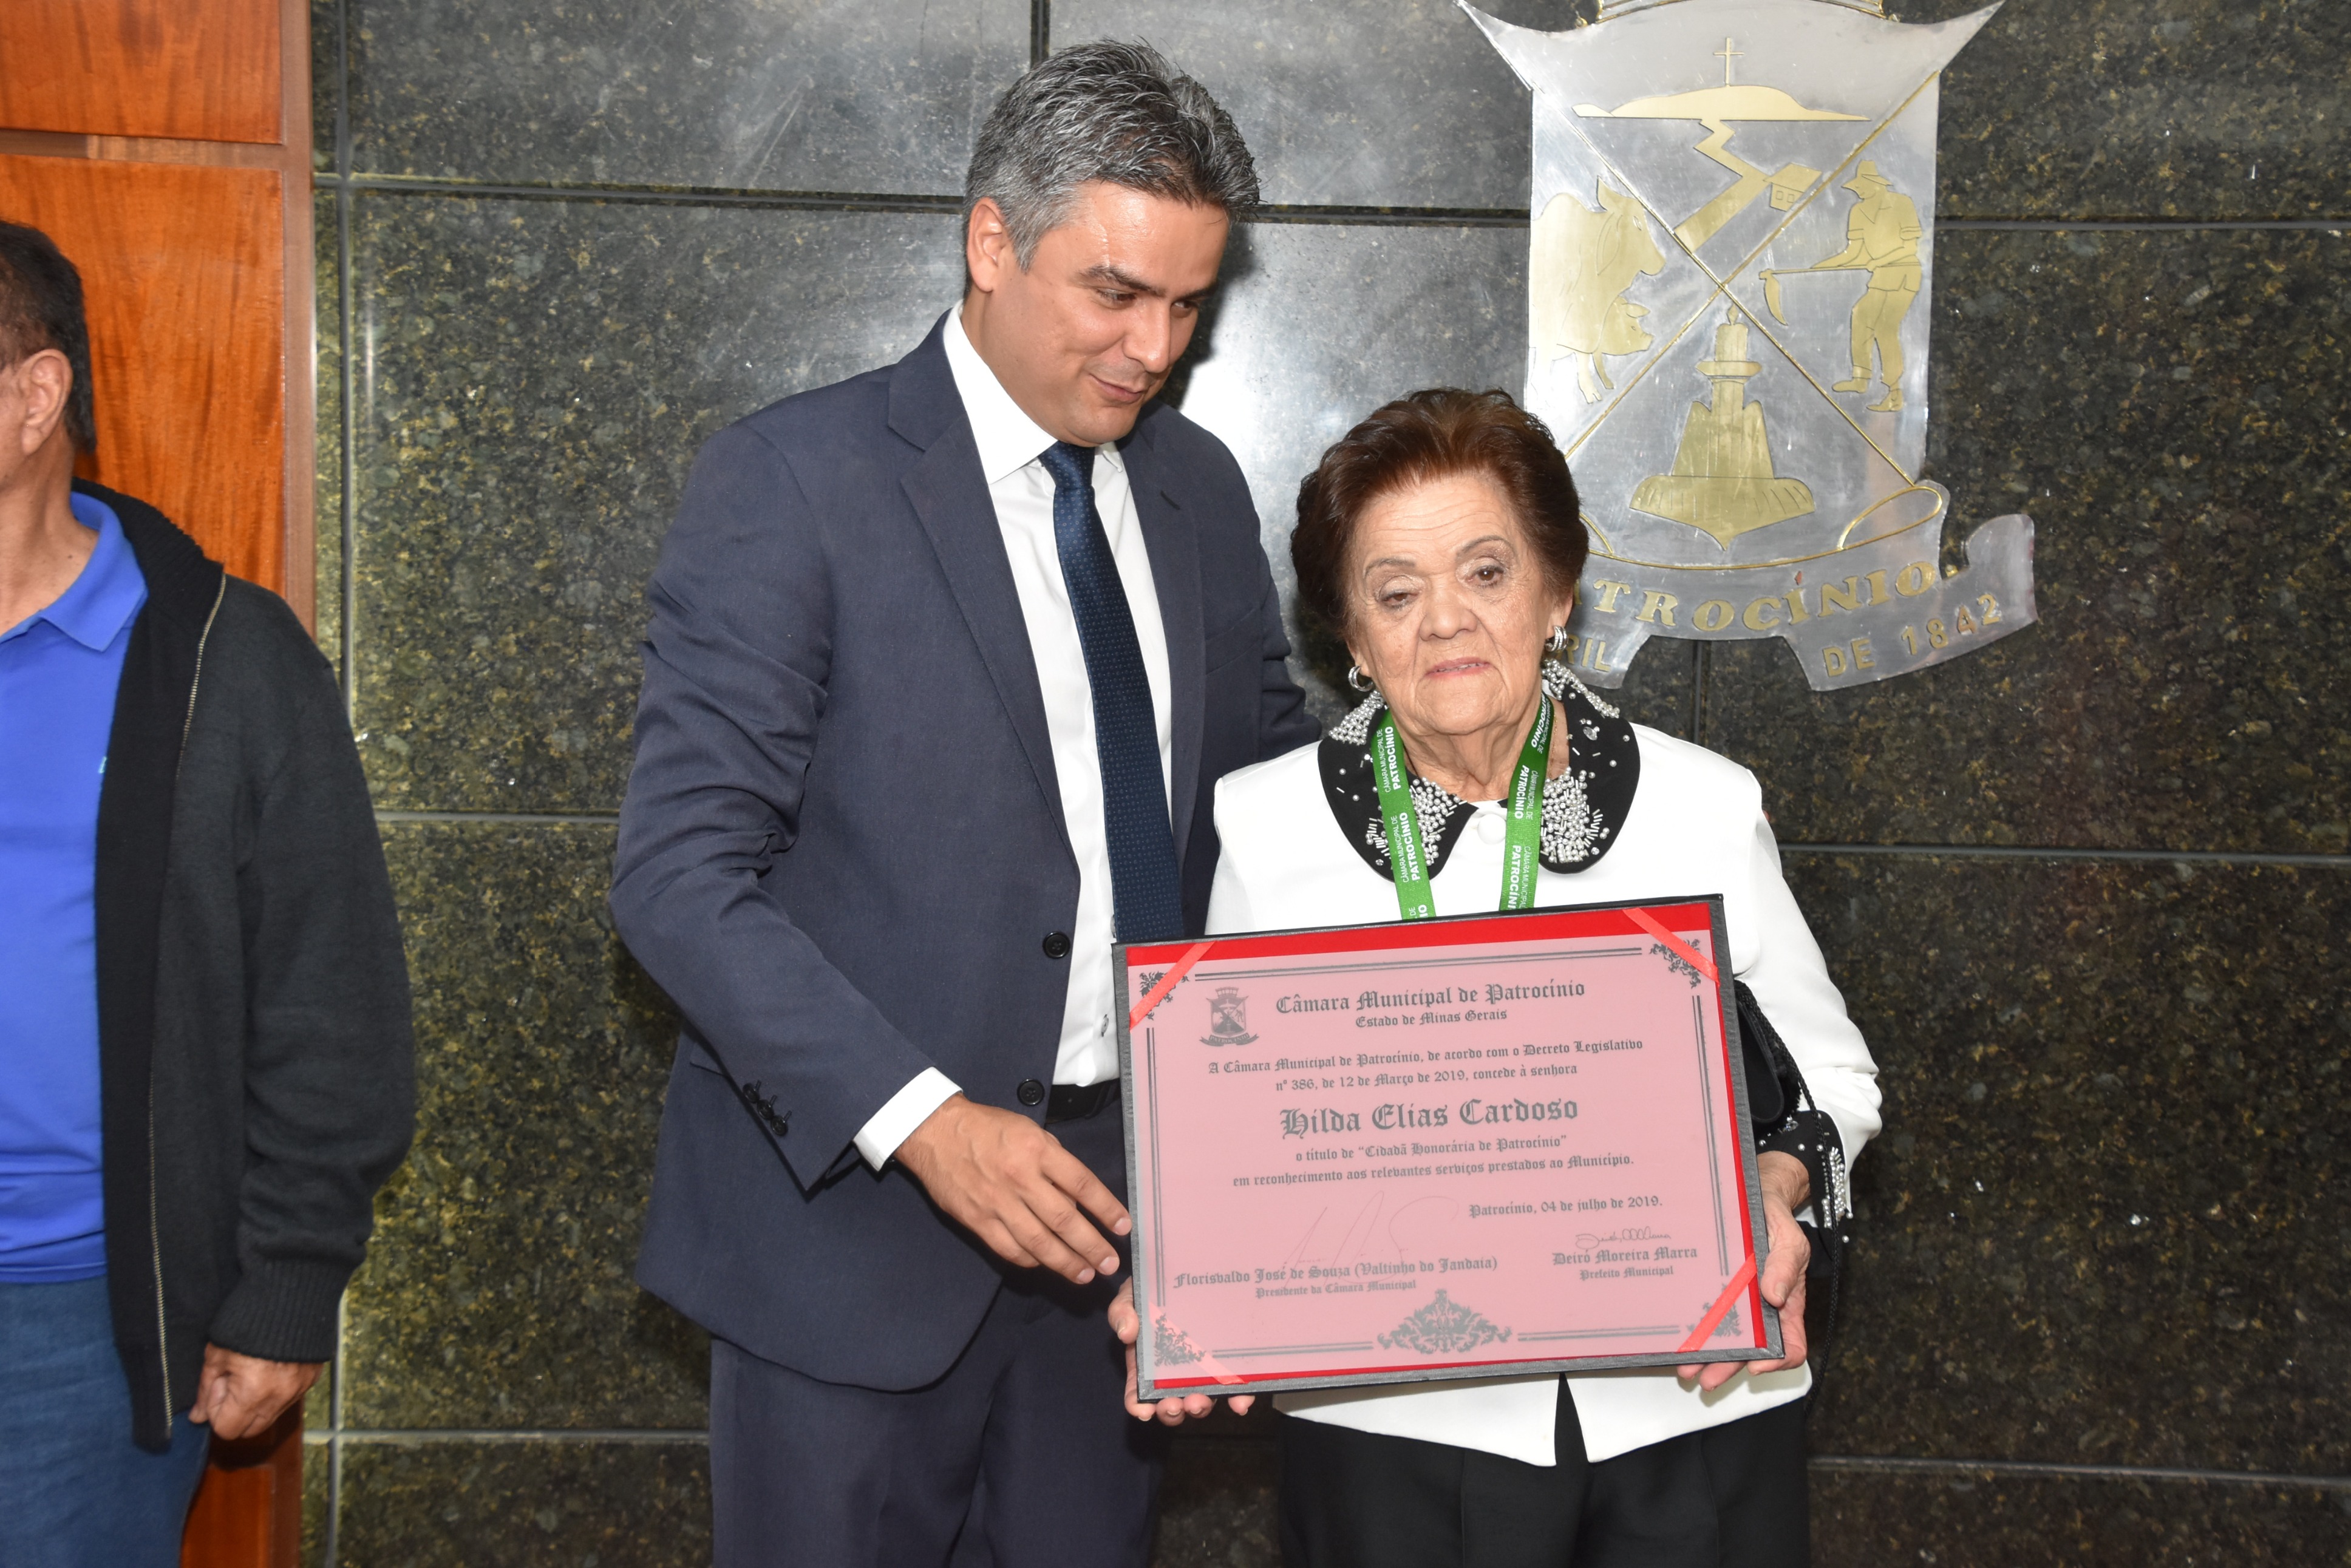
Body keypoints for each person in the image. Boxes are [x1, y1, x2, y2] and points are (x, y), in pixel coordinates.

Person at [608, 41, 1316, 1567]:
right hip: (846, 1253)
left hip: (1118, 1239)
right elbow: (678, 878)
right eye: (1115, 292)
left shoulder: (1198, 492)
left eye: (1189, 305)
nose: (1154, 347)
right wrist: (925, 1122)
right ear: (992, 241)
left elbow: (1270, 808)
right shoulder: (793, 482)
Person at [1114, 388, 1879, 1566]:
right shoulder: (1266, 827)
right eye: (1394, 592)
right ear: (1351, 636)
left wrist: (1770, 1189)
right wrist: (1189, 1274)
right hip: (1397, 1423)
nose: (1444, 621)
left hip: (1689, 1403)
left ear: (1557, 593)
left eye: (1485, 571)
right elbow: (1231, 1132)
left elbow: (1831, 1072)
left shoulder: (1702, 804)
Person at [0, 222, 415, 1564]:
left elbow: (331, 1003)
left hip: (77, 1321)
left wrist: (285, 1286)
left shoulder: (225, 664)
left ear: (34, 397)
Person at [1818, 160, 1922, 413]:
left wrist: (1879, 260)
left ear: (1876, 184)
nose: (1858, 190)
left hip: (1904, 273)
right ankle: (1861, 378)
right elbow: (1854, 253)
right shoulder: (1858, 211)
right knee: (1861, 315)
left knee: (1885, 328)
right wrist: (1821, 266)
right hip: (1881, 277)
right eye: (1856, 187)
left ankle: (1894, 392)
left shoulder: (1901, 203)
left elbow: (1910, 247)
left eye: (1862, 185)